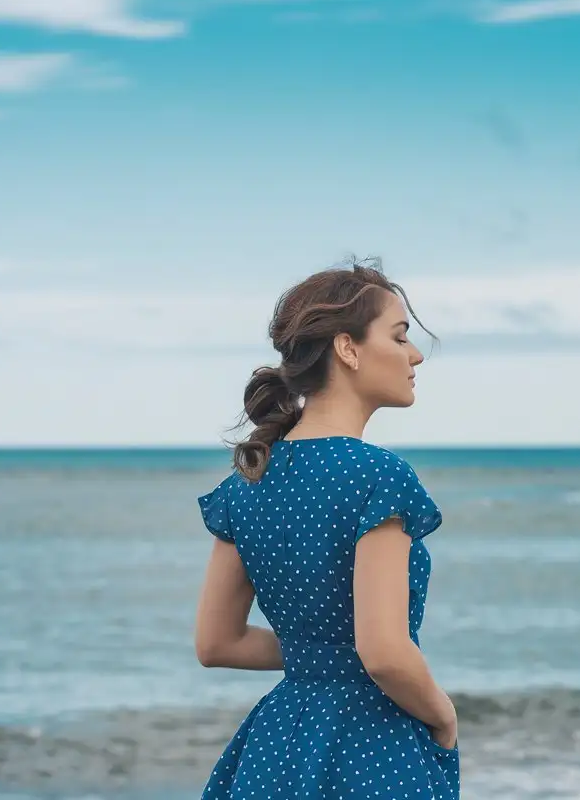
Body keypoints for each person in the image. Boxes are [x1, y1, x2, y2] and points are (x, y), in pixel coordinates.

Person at [193, 259, 459, 799]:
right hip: (371, 745)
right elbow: (383, 651)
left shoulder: (249, 479)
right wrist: (443, 715)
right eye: (400, 336)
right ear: (347, 349)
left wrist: (314, 654)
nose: (415, 355)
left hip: (278, 745)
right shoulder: (378, 476)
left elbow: (217, 642)